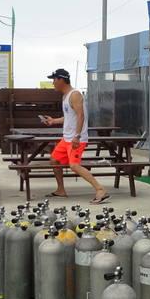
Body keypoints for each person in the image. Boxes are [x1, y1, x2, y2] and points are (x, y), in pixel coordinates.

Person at [39, 68, 110, 203]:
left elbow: (80, 115)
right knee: (54, 160)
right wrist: (53, 121)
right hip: (67, 138)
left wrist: (77, 136)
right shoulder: (65, 96)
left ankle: (101, 189)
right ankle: (61, 190)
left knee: (74, 166)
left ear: (61, 80)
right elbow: (69, 117)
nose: (53, 83)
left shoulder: (75, 95)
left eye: (54, 80)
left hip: (76, 139)